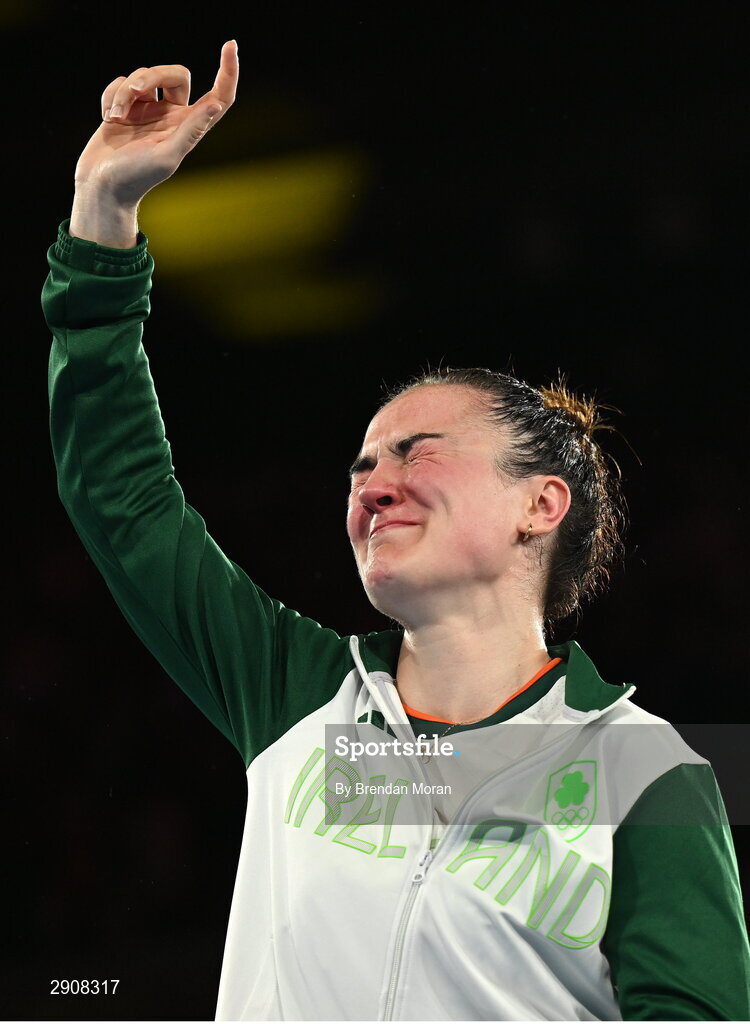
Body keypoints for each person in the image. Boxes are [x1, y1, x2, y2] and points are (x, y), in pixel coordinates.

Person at [42, 40, 750, 1021]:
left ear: (538, 505)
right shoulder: (294, 698)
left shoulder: (646, 775)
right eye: (362, 466)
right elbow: (123, 497)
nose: (375, 484)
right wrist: (104, 214)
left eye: (418, 452)